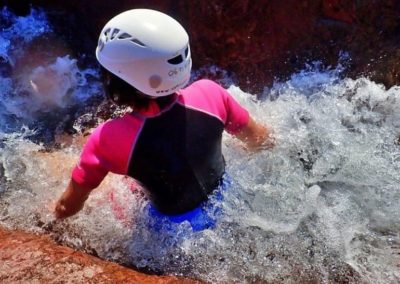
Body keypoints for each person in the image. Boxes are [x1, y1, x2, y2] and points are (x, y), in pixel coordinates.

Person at [54, 9, 274, 229]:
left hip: (174, 234)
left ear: (116, 81)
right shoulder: (211, 93)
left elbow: (68, 207)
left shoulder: (107, 139)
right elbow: (261, 140)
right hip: (229, 199)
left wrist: (48, 217)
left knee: (115, 188)